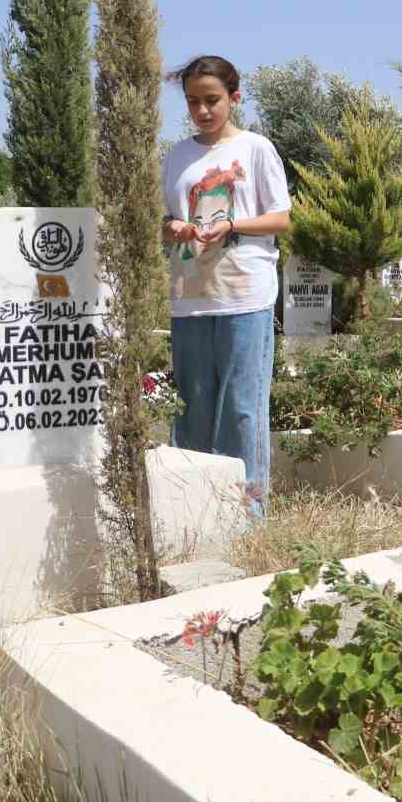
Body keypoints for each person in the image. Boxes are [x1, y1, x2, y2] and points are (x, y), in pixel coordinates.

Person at [161, 56, 291, 517]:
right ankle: (194, 515)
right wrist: (173, 226)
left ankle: (247, 517)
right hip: (189, 300)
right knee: (191, 409)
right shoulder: (177, 154)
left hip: (245, 296)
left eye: (211, 100)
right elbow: (164, 218)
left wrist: (232, 223)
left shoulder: (256, 149)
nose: (202, 111)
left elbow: (281, 218)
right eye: (193, 102)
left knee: (241, 408)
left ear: (234, 98)